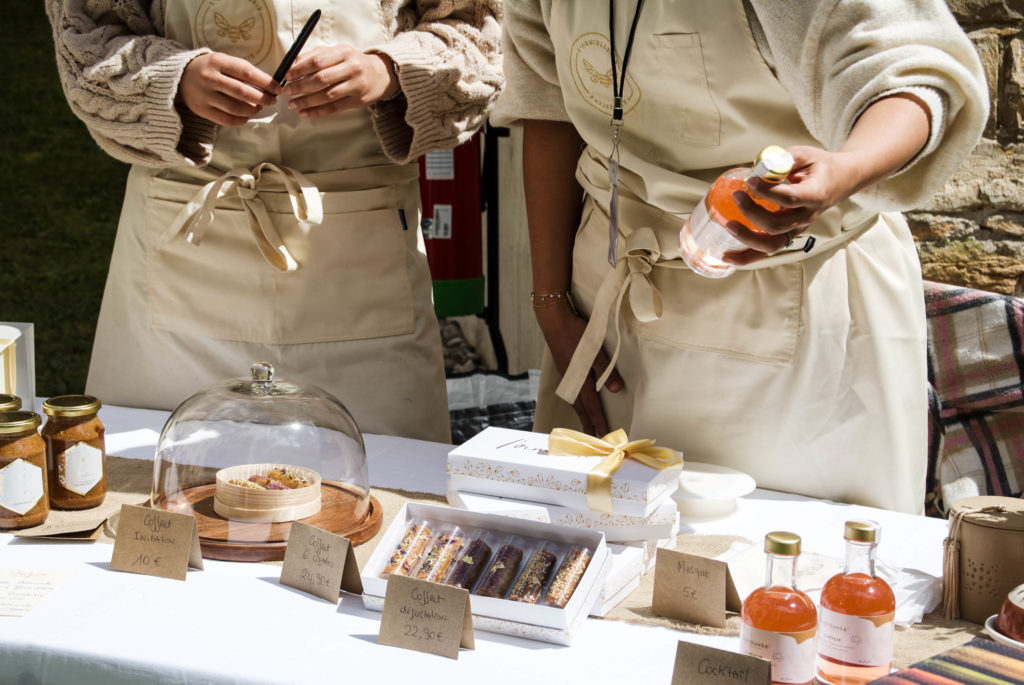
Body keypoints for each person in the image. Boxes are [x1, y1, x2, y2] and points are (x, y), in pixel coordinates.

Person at [492, 1, 988, 513]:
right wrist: (550, 301)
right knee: (596, 546)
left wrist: (847, 169)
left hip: (795, 292)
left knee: (787, 565)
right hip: (608, 304)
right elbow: (545, 105)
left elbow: (908, 72)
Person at [45, 0, 503, 443]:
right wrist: (175, 79)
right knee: (157, 488)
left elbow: (476, 34)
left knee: (381, 492)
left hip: (357, 256)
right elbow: (86, 38)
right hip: (183, 240)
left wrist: (387, 71)